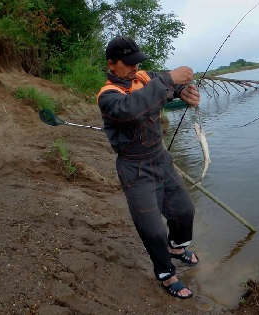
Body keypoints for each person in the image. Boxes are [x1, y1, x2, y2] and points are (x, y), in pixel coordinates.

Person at [96, 36, 200, 299]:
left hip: (161, 159)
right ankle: (165, 273)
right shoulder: (108, 96)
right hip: (135, 168)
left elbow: (168, 89)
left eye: (136, 62)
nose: (134, 67)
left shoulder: (144, 77)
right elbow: (132, 108)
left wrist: (183, 92)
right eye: (127, 63)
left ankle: (177, 248)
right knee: (152, 229)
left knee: (184, 211)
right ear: (111, 64)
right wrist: (168, 81)